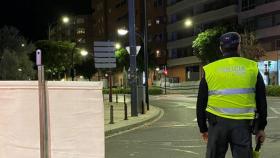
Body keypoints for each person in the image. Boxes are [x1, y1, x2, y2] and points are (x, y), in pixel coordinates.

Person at [196, 32, 267, 158]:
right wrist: (261, 128)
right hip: (243, 126)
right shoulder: (252, 68)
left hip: (216, 125)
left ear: (220, 48)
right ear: (239, 46)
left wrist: (203, 128)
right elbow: (261, 101)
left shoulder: (210, 69)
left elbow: (201, 102)